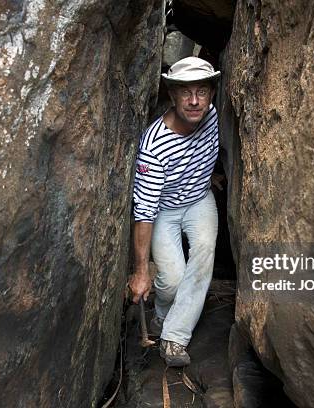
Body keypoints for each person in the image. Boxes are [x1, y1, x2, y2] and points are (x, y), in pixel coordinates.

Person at [128, 57, 221, 367]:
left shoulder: (211, 116)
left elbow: (209, 150)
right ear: (172, 95)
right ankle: (164, 315)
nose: (195, 101)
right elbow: (144, 209)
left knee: (204, 254)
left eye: (202, 92)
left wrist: (212, 174)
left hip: (199, 199)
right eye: (186, 93)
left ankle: (174, 338)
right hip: (163, 210)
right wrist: (141, 271)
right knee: (171, 280)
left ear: (212, 94)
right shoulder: (153, 146)